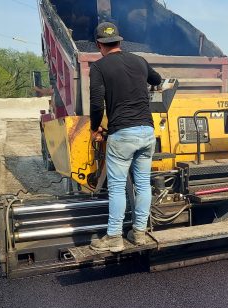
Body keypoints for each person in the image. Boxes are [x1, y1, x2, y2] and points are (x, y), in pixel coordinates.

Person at [89, 22, 162, 252]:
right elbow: (157, 79)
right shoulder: (139, 61)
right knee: (142, 185)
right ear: (120, 42)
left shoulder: (99, 67)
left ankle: (114, 238)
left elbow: (95, 102)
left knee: (118, 187)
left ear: (99, 45)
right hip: (147, 132)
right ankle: (139, 233)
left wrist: (94, 128)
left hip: (122, 134)